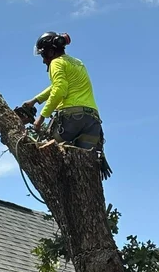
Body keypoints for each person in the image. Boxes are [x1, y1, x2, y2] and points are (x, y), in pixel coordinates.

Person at [22, 31, 111, 178]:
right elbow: (59, 86)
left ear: (51, 51)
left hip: (71, 119)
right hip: (92, 122)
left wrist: (41, 117)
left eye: (43, 55)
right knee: (83, 167)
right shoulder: (76, 62)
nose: (43, 60)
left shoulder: (56, 63)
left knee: (43, 146)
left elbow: (59, 89)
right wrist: (35, 100)